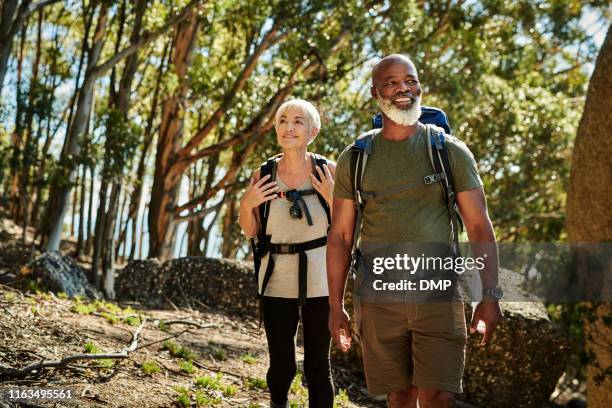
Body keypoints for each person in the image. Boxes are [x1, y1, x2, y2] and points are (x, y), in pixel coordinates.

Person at [327, 54, 503, 408]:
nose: (403, 88)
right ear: (376, 93)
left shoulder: (448, 151)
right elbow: (341, 236)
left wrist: (490, 296)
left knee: (439, 395)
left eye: (410, 80)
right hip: (379, 295)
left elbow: (479, 226)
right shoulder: (356, 157)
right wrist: (335, 305)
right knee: (400, 396)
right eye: (391, 82)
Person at [239, 99, 336, 408]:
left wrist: (333, 198)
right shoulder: (264, 173)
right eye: (282, 121)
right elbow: (251, 230)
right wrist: (246, 203)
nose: (289, 127)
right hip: (276, 278)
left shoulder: (328, 170)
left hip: (321, 281)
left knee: (318, 366)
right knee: (281, 365)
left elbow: (347, 228)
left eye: (297, 121)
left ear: (313, 132)